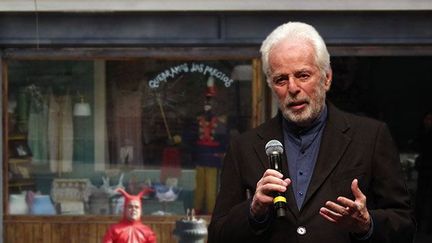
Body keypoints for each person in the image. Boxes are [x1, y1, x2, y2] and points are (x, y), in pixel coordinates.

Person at [208, 22, 415, 243]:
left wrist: (367, 224)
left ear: (327, 78)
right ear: (271, 85)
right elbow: (218, 235)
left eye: (303, 75)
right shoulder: (244, 147)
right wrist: (253, 211)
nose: (293, 88)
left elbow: (404, 225)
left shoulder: (371, 137)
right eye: (281, 80)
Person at [414, 111, 432, 233]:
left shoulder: (426, 135)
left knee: (427, 198)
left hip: (428, 169)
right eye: (427, 119)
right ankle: (419, 225)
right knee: (421, 198)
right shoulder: (422, 134)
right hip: (424, 170)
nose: (428, 121)